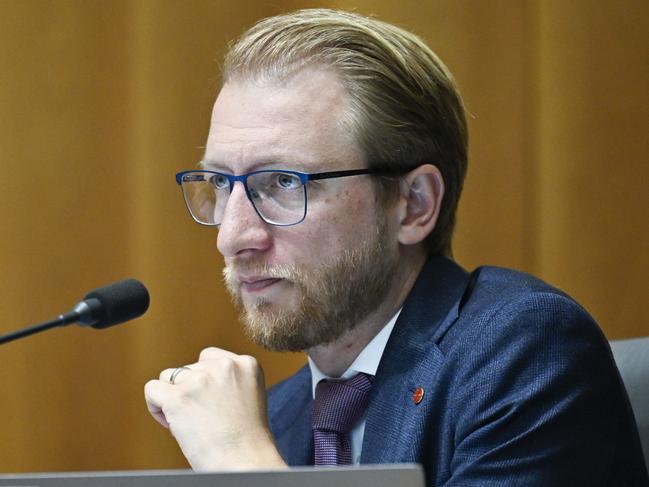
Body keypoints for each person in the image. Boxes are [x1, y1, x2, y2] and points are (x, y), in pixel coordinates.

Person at [144, 8, 648, 485]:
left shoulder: (525, 355)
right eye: (219, 183)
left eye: (282, 183)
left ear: (414, 205)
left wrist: (242, 466)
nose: (232, 237)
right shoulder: (276, 418)